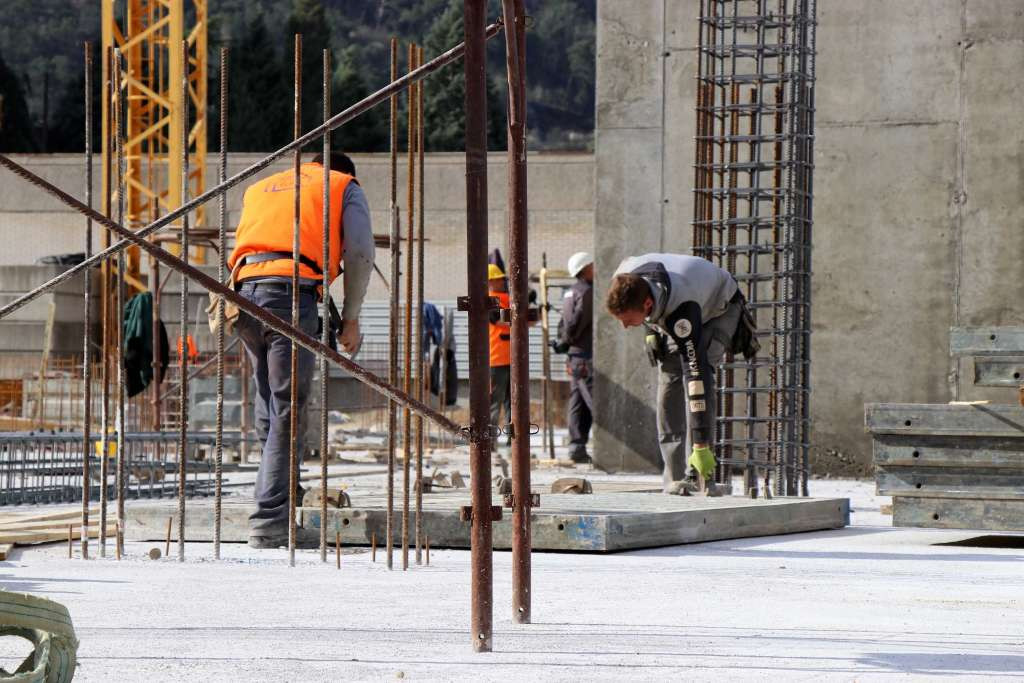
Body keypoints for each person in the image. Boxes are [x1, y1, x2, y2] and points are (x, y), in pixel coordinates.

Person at [228, 152, 374, 547]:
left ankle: (281, 495)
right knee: (288, 409)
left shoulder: (261, 186)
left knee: (269, 402)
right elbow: (359, 251)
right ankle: (269, 521)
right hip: (290, 297)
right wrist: (353, 317)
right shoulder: (343, 185)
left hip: (243, 296)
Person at [606, 253, 751, 495]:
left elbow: (697, 377)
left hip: (718, 309)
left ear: (647, 306)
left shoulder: (681, 310)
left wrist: (701, 444)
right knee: (668, 383)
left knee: (696, 378)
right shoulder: (623, 279)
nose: (624, 326)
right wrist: (650, 330)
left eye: (628, 320)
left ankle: (699, 474)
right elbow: (642, 303)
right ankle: (675, 481)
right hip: (672, 304)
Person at [555, 251, 593, 463]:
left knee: (577, 401)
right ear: (585, 269)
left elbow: (565, 323)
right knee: (595, 401)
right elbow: (576, 322)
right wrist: (568, 339)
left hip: (575, 356)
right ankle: (612, 450)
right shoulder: (587, 292)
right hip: (585, 354)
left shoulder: (571, 292)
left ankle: (577, 448)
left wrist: (563, 341)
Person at [487, 263, 512, 439]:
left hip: (513, 358)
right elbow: (497, 320)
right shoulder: (489, 300)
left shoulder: (509, 298)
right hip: (496, 359)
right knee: (494, 402)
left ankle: (514, 441)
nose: (502, 281)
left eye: (502, 278)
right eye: (497, 279)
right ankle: (490, 440)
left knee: (514, 403)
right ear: (489, 281)